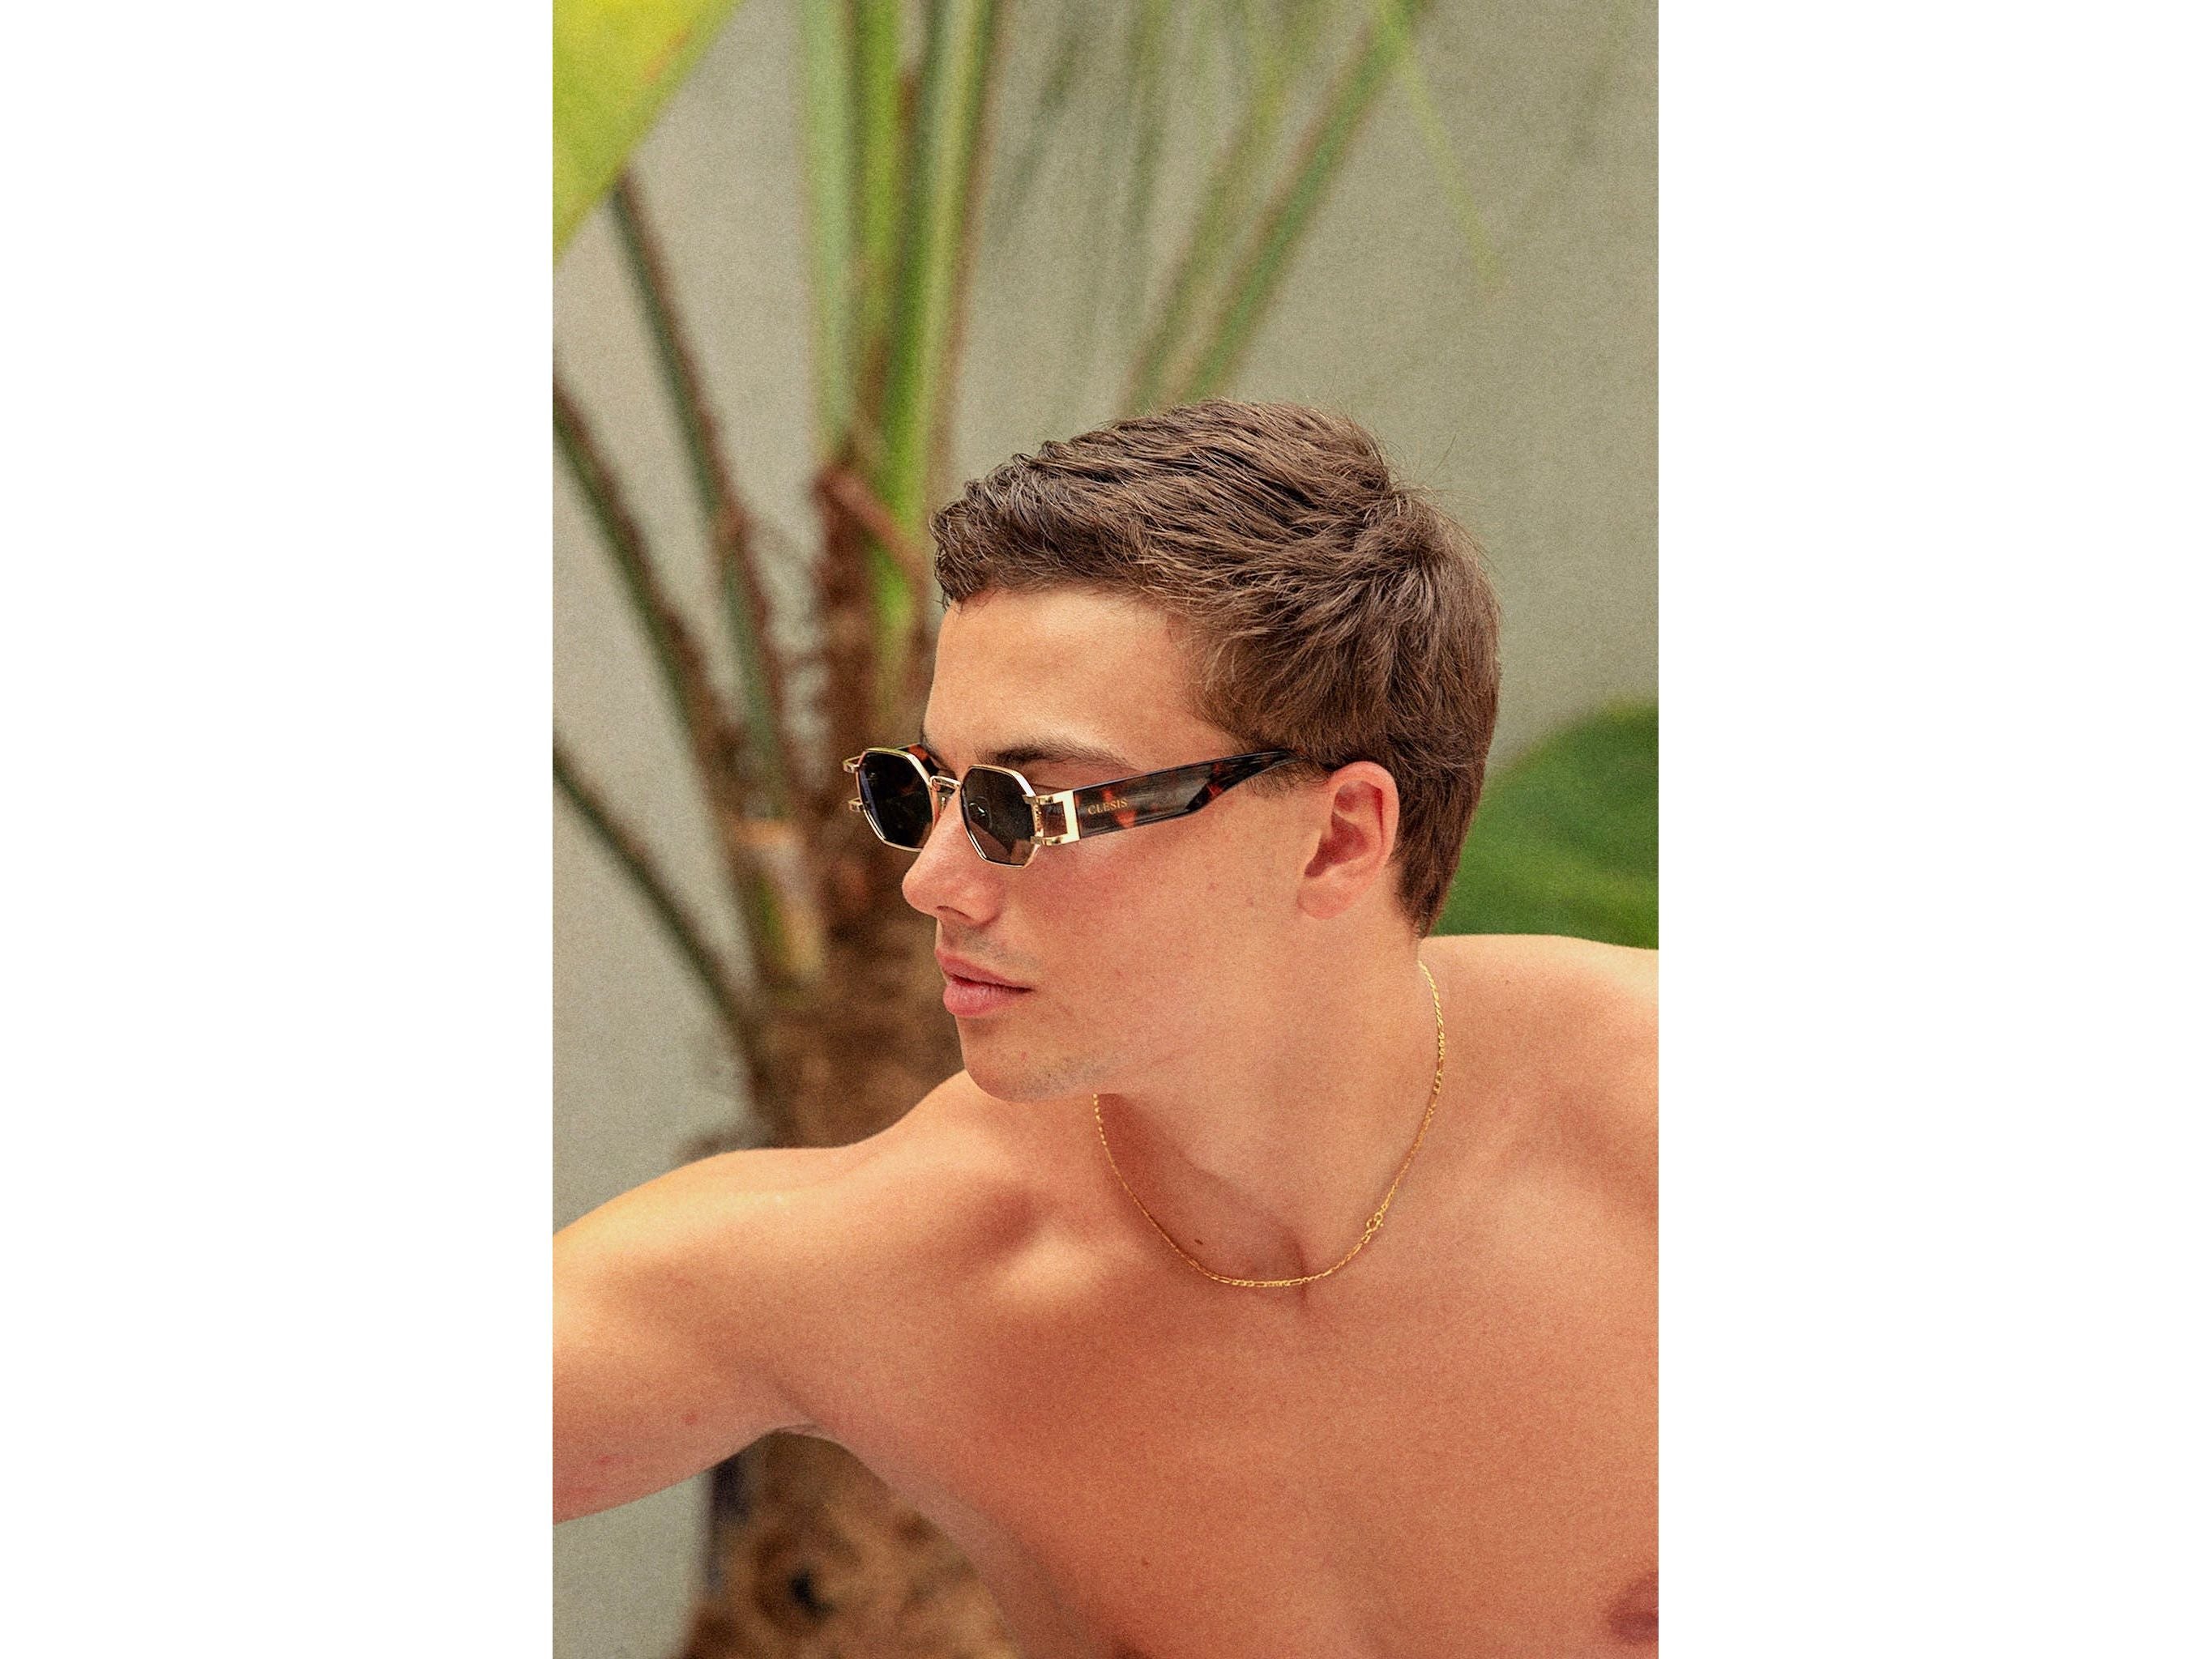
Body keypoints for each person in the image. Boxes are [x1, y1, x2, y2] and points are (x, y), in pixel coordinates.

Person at [554, 401, 1656, 1656]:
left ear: (1337, 838)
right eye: (926, 792)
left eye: (1031, 806)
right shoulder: (903, 1265)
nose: (933, 882)